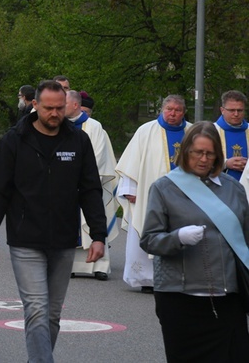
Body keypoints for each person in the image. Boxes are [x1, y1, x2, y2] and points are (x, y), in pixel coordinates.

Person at [0, 80, 106, 363]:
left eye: (60, 108)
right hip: (26, 239)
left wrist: (98, 235)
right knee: (36, 308)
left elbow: (91, 190)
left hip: (63, 240)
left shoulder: (78, 140)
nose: (55, 114)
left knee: (51, 314)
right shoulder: (15, 140)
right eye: (48, 108)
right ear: (34, 105)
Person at [140, 121, 249, 362]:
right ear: (185, 152)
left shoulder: (233, 189)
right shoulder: (164, 188)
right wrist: (177, 238)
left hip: (227, 297)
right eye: (197, 152)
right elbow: (149, 240)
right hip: (180, 298)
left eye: (210, 153)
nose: (203, 159)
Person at [116, 95, 190, 291]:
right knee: (147, 229)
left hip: (184, 197)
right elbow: (132, 162)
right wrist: (130, 190)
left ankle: (179, 277)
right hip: (148, 196)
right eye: (169, 109)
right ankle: (146, 279)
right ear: (162, 110)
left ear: (184, 112)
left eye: (177, 110)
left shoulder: (192, 131)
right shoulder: (146, 131)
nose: (172, 113)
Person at [66, 90, 119, 280]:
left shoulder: (94, 126)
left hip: (90, 182)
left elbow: (96, 155)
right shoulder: (60, 126)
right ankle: (70, 265)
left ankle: (100, 266)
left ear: (75, 105)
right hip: (66, 186)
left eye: (64, 104)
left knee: (95, 221)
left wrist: (78, 175)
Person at [214, 90, 248, 180]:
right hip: (219, 186)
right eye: (232, 110)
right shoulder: (212, 130)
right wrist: (225, 163)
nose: (236, 114)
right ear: (222, 110)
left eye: (240, 110)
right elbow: (200, 160)